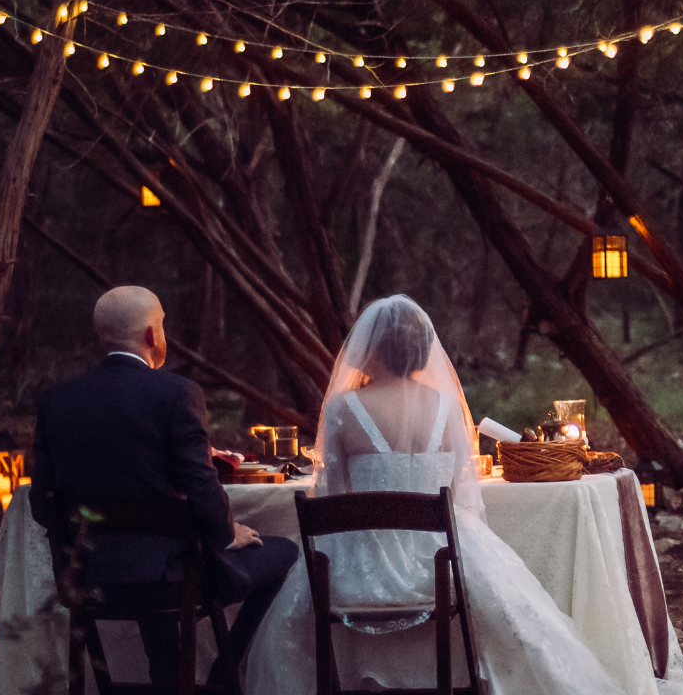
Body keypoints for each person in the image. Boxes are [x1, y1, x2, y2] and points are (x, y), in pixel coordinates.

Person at [243, 295, 661, 694]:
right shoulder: (445, 405)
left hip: (359, 568)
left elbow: (331, 493)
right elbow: (463, 493)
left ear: (371, 348)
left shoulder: (341, 408)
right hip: (438, 564)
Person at [29, 286, 299, 687]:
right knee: (282, 551)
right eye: (162, 327)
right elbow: (201, 485)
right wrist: (227, 533)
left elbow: (40, 504)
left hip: (86, 581)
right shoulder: (175, 394)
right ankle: (221, 680)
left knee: (160, 551)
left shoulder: (57, 399)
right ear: (153, 336)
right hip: (170, 583)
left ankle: (169, 682)